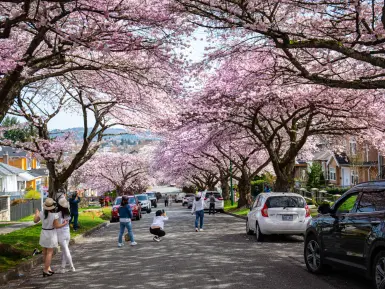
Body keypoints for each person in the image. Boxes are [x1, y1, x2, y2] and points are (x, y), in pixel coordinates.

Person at [34, 198, 68, 277]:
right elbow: (57, 226)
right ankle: (46, 270)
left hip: (43, 233)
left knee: (45, 252)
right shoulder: (54, 215)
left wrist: (36, 213)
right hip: (51, 234)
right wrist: (64, 223)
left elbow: (35, 221)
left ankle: (47, 268)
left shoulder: (42, 213)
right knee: (49, 253)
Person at [56, 198, 75, 274]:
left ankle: (72, 266)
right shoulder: (68, 213)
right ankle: (63, 267)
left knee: (66, 251)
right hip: (67, 233)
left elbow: (57, 225)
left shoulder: (58, 214)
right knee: (64, 251)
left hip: (61, 234)